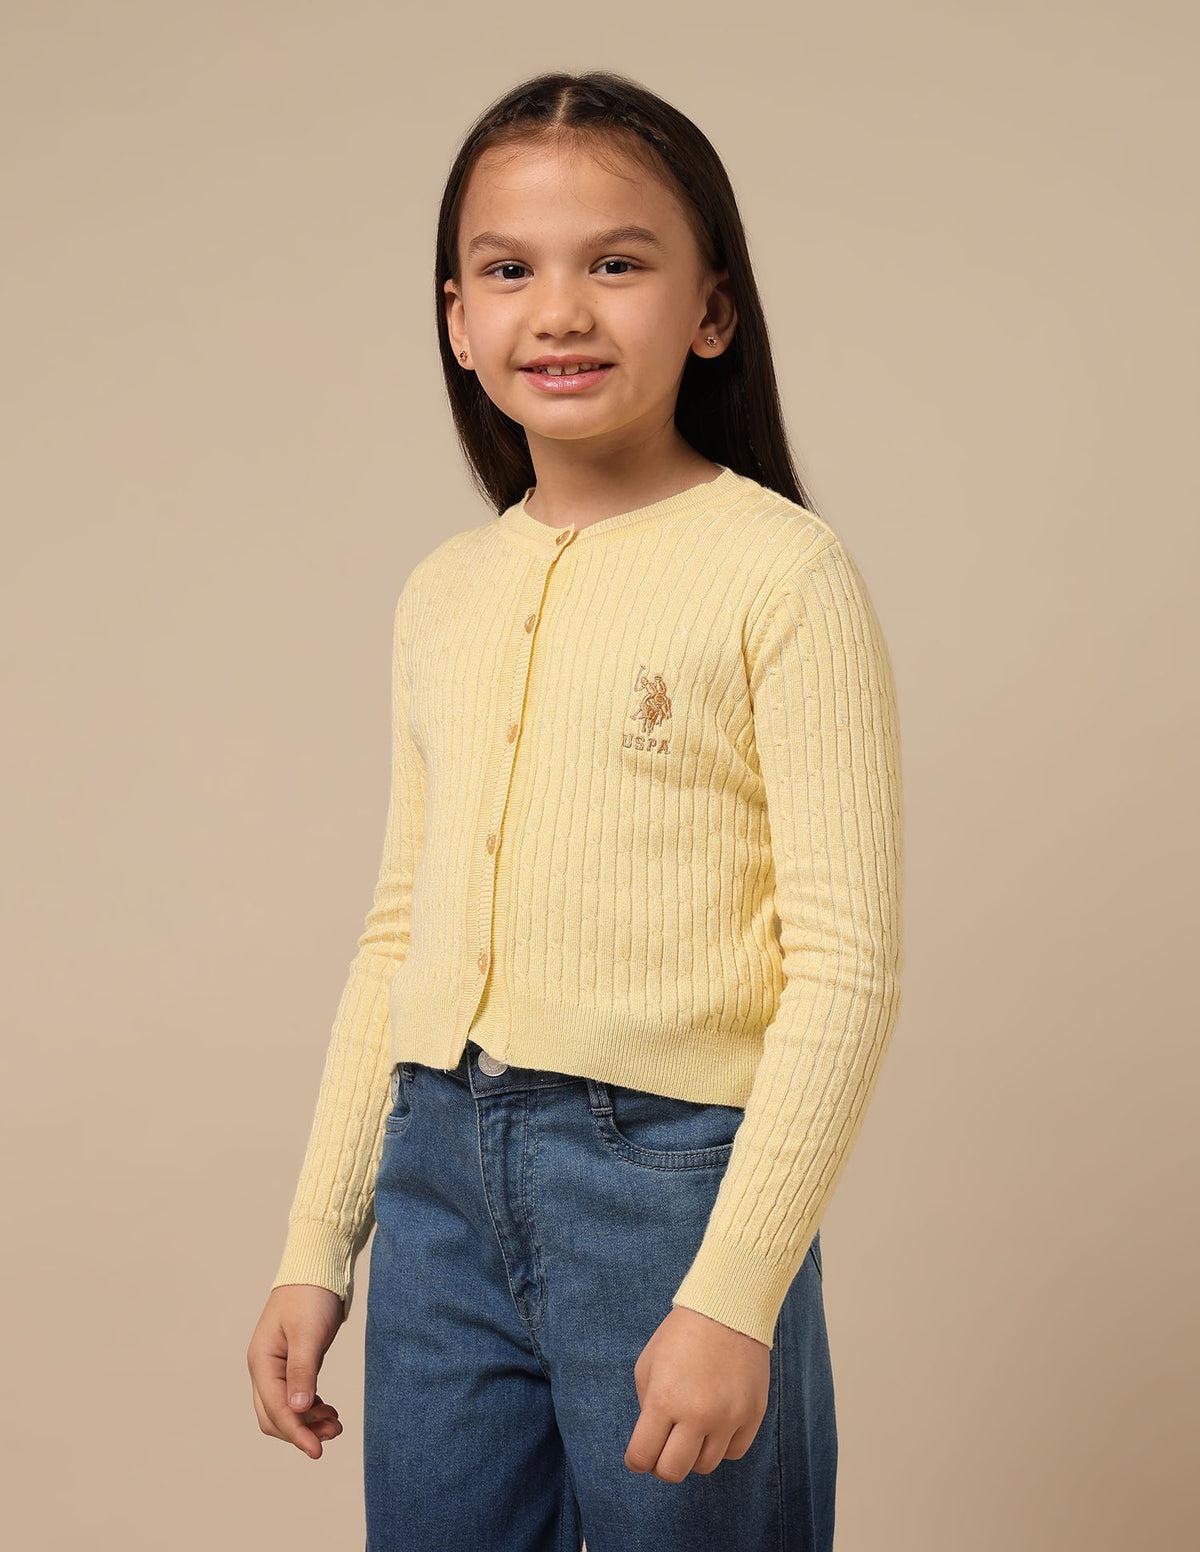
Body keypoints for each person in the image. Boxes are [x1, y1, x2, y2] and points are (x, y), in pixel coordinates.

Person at [246, 68, 904, 1552]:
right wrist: (318, 1245)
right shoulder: (445, 593)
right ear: (456, 319)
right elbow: (401, 934)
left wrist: (734, 1288)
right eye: (508, 270)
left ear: (711, 310)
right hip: (435, 1182)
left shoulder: (781, 574)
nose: (559, 311)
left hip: (668, 1191)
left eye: (615, 263)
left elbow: (845, 967)